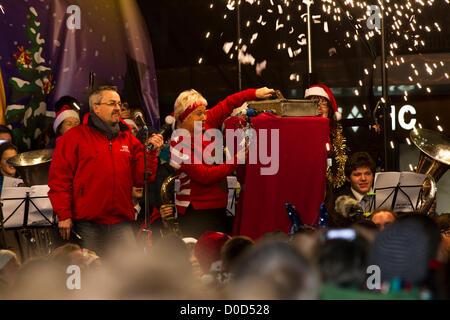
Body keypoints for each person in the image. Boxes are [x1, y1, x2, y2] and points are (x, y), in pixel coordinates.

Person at [48, 85, 163, 257]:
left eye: (118, 103)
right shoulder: (73, 138)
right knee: (91, 272)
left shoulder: (129, 140)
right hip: (87, 223)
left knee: (128, 272)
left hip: (121, 221)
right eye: (112, 103)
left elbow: (141, 178)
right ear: (96, 107)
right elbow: (59, 181)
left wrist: (151, 152)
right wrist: (64, 214)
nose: (118, 108)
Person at [169, 87, 275, 238]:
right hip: (197, 212)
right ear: (184, 117)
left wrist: (254, 93)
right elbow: (204, 176)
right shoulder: (179, 144)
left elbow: (228, 103)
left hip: (220, 205)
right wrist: (236, 160)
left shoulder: (204, 123)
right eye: (199, 114)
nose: (205, 117)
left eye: (205, 112)